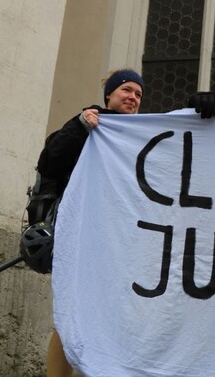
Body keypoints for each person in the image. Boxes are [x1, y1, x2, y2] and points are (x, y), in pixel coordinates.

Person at [35, 69, 144, 377]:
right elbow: (50, 161)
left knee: (111, 318)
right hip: (82, 235)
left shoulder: (140, 136)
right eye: (126, 90)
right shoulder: (85, 124)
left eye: (138, 94)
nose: (132, 97)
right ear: (109, 95)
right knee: (72, 316)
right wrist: (81, 126)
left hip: (119, 240)